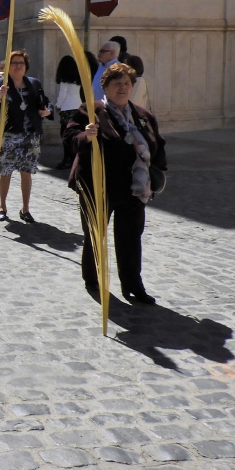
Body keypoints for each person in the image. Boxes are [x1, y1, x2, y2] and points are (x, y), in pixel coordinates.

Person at [65, 62, 167, 304]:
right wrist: (86, 136)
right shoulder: (91, 111)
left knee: (131, 236)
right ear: (105, 86)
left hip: (133, 187)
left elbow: (158, 145)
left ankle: (133, 284)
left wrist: (157, 174)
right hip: (98, 185)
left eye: (126, 83)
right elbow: (70, 137)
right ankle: (93, 279)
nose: (122, 87)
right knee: (95, 234)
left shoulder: (143, 115)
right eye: (116, 83)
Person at [0, 50, 50, 222]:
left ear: (26, 66)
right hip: (8, 134)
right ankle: (2, 206)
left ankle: (25, 209)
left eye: (21, 63)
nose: (18, 66)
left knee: (26, 172)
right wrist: (0, 97)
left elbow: (45, 102)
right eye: (14, 63)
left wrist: (46, 111)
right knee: (5, 172)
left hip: (30, 135)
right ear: (7, 67)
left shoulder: (34, 84)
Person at [52, 54, 85, 170]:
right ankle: (74, 158)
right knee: (75, 133)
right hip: (78, 107)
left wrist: (57, 105)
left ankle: (67, 159)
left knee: (65, 135)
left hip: (67, 108)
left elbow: (62, 95)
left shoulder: (64, 81)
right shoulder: (78, 80)